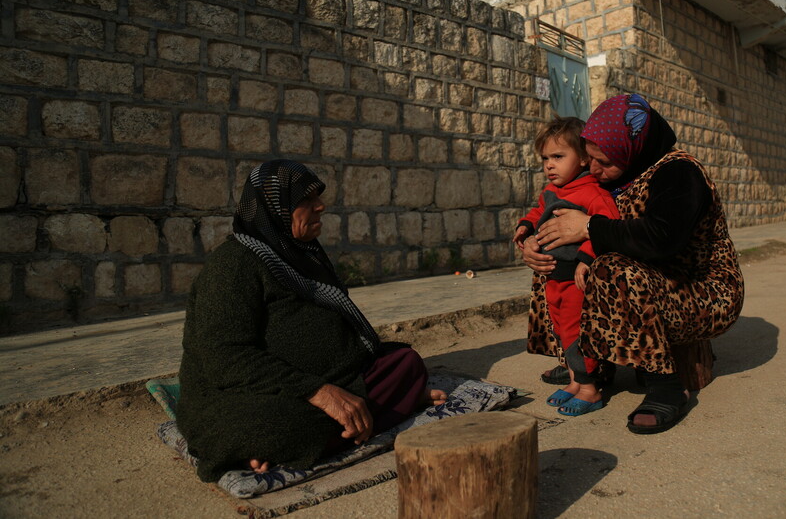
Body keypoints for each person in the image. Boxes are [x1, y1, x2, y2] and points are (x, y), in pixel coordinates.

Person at [176, 160, 446, 482]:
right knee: (273, 426)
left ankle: (291, 438)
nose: (320, 206)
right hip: (253, 393)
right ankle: (281, 438)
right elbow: (224, 358)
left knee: (406, 363)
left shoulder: (296, 252)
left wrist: (328, 387)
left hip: (323, 377)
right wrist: (320, 392)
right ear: (275, 208)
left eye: (317, 197)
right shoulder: (232, 267)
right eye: (305, 200)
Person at [521, 94, 744, 434]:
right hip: (654, 281)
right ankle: (586, 363)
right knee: (556, 265)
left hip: (699, 291)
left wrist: (588, 227)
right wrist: (534, 244)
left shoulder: (679, 173)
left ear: (634, 148)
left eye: (604, 161)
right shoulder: (616, 174)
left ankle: (666, 384)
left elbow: (660, 239)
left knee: (614, 271)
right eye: (590, 159)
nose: (594, 170)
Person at [513, 117, 620, 417]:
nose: (549, 165)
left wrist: (586, 259)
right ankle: (575, 382)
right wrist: (525, 226)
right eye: (545, 158)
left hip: (576, 278)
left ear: (584, 158)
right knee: (561, 330)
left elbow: (607, 226)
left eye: (558, 157)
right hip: (552, 277)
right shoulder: (552, 191)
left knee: (575, 332)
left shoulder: (592, 193)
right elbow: (538, 212)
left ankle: (590, 389)